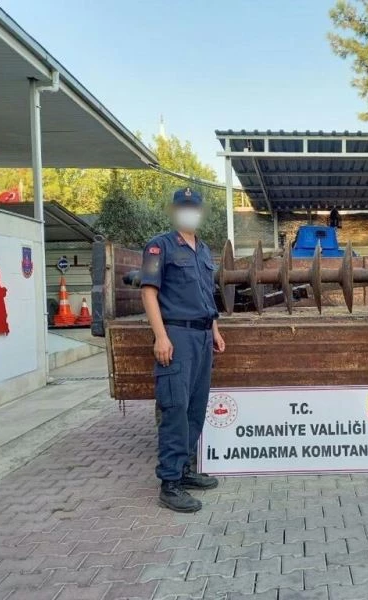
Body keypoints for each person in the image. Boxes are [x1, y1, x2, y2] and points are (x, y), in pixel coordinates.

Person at [140, 187, 226, 512]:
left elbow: (206, 296)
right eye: (183, 207)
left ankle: (185, 470)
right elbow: (149, 293)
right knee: (174, 409)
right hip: (176, 335)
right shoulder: (159, 246)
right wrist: (161, 337)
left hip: (202, 337)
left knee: (195, 407)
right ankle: (170, 484)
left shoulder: (203, 250)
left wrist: (215, 330)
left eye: (194, 207)